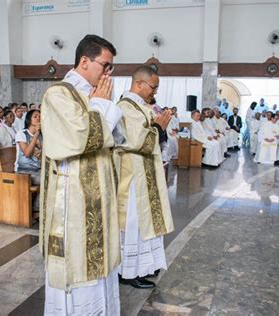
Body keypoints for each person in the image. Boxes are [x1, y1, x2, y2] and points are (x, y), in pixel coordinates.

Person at [40, 34, 121, 315]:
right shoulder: (58, 94)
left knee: (99, 264)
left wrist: (104, 104)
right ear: (85, 61)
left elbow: (115, 137)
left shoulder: (97, 94)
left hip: (98, 196)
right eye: (105, 66)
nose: (108, 73)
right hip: (73, 200)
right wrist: (100, 105)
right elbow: (78, 137)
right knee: (78, 262)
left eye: (111, 68)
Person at [116, 65, 174, 290]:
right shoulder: (125, 107)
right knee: (134, 224)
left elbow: (154, 136)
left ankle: (144, 266)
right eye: (153, 86)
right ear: (138, 83)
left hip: (145, 173)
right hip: (133, 179)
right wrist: (158, 128)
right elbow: (136, 139)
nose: (155, 92)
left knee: (146, 224)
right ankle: (127, 272)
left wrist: (160, 127)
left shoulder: (141, 106)